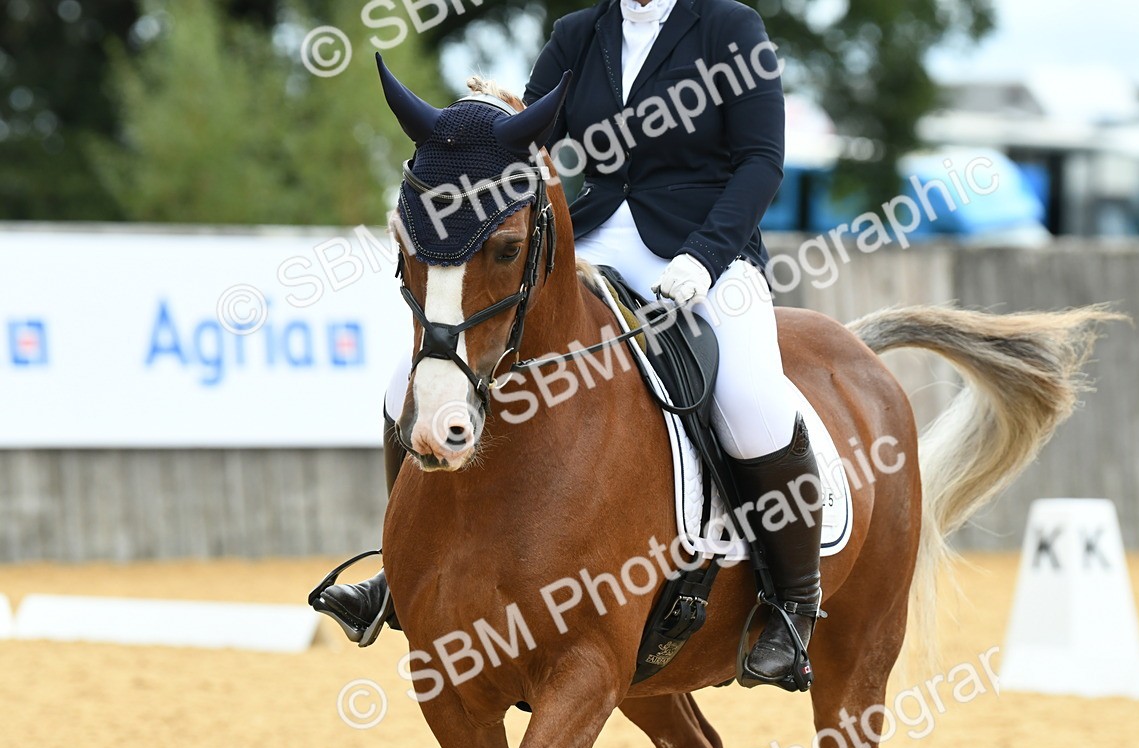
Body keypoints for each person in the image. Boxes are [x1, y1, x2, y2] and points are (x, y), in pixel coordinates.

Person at [313, 0, 824, 692]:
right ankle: (401, 576)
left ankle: (792, 608)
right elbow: (520, 139)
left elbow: (762, 162)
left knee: (751, 396)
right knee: (411, 376)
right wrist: (463, 143)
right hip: (591, 234)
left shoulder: (729, 27)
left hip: (707, 249)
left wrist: (706, 256)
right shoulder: (578, 34)